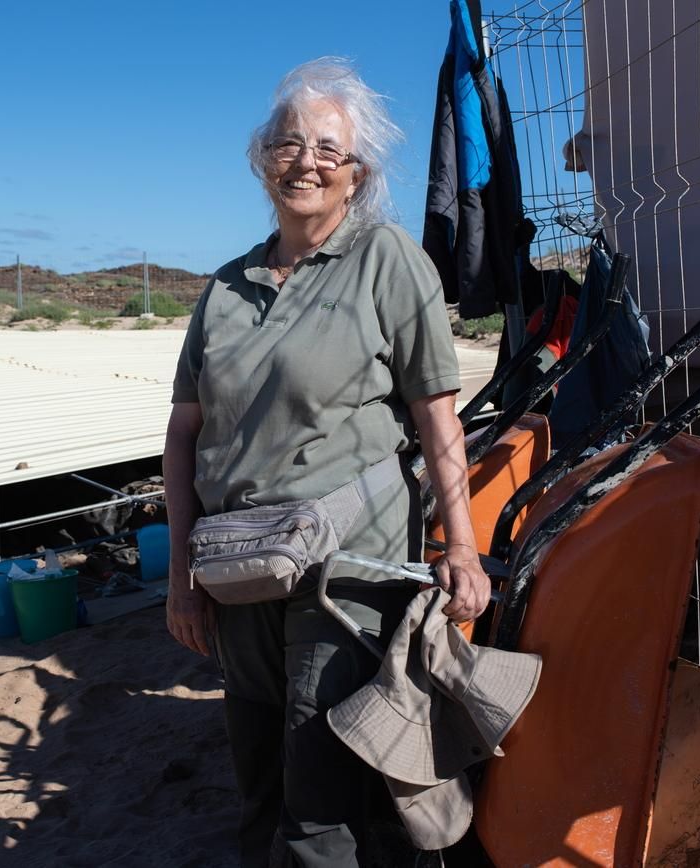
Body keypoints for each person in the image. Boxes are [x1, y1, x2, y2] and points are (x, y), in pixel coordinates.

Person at [163, 57, 491, 866]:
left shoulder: (388, 260)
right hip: (240, 564)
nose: (303, 159)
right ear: (260, 158)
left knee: (319, 794)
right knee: (257, 776)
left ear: (356, 173)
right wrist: (180, 575)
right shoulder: (226, 288)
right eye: (286, 142)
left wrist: (462, 545)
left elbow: (435, 416)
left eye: (327, 148)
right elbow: (183, 435)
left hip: (347, 566)